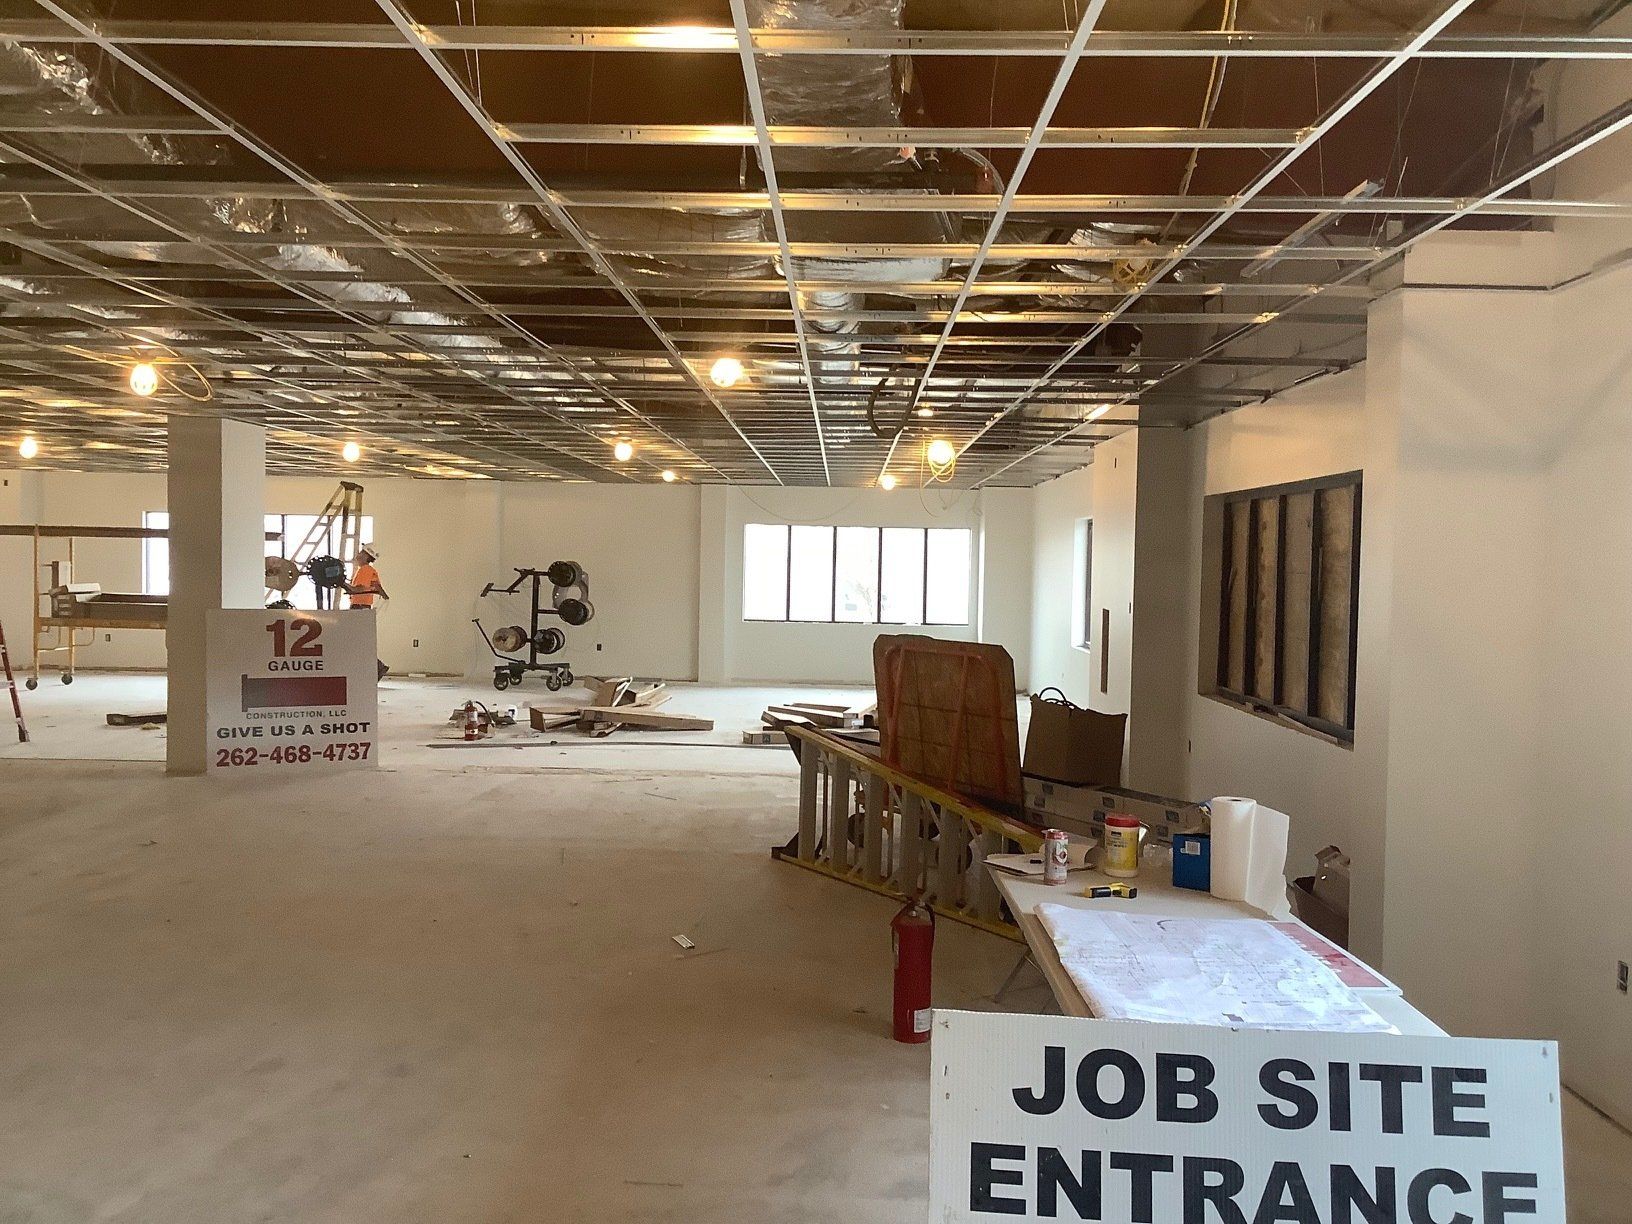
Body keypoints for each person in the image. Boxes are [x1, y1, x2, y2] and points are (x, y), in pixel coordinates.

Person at [346, 545, 390, 680]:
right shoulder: (371, 570)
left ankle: (378, 667)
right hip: (365, 608)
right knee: (361, 641)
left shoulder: (364, 570)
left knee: (355, 641)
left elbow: (358, 589)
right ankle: (377, 667)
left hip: (358, 608)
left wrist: (341, 583)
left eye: (361, 552)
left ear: (366, 556)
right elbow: (378, 587)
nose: (358, 555)